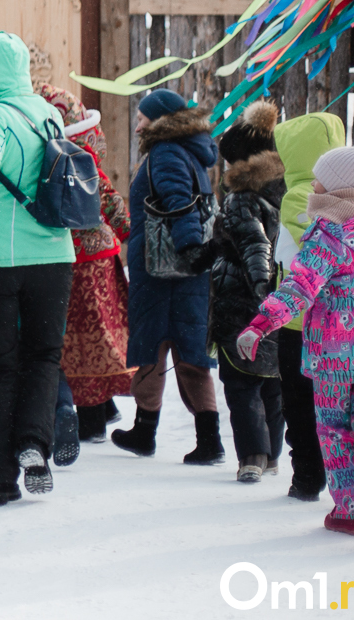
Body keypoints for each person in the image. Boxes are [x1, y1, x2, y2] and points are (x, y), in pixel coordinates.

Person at [237, 131, 354, 545]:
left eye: (320, 181)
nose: (313, 187)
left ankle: (350, 512)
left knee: (336, 428)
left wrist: (261, 324)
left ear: (341, 186)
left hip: (335, 354)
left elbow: (299, 287)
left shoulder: (328, 234)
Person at [0, 31, 73, 504]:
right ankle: (33, 443)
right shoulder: (49, 114)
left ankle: (0, 481)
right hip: (56, 256)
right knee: (43, 357)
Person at [112, 88, 222, 465]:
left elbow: (179, 201)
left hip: (166, 267)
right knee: (186, 349)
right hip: (182, 269)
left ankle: (151, 432)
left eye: (143, 118)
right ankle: (205, 437)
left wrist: (190, 249)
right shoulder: (186, 148)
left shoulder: (166, 152)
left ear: (160, 121)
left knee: (154, 346)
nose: (138, 124)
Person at [32, 86, 132, 445]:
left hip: (69, 259)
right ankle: (100, 410)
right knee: (99, 338)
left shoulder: (54, 158)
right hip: (99, 259)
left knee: (74, 340)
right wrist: (126, 231)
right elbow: (110, 201)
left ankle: (91, 417)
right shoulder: (84, 156)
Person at [207, 101, 286, 484]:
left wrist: (260, 291)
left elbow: (257, 248)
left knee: (241, 381)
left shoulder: (242, 198)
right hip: (280, 303)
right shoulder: (283, 191)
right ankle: (271, 455)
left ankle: (252, 455)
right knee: (273, 379)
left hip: (243, 302)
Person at [271, 108, 346, 501]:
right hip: (348, 320)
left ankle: (307, 476)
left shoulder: (299, 196)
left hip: (301, 320)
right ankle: (343, 477)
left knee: (300, 403)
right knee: (339, 403)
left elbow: (314, 248)